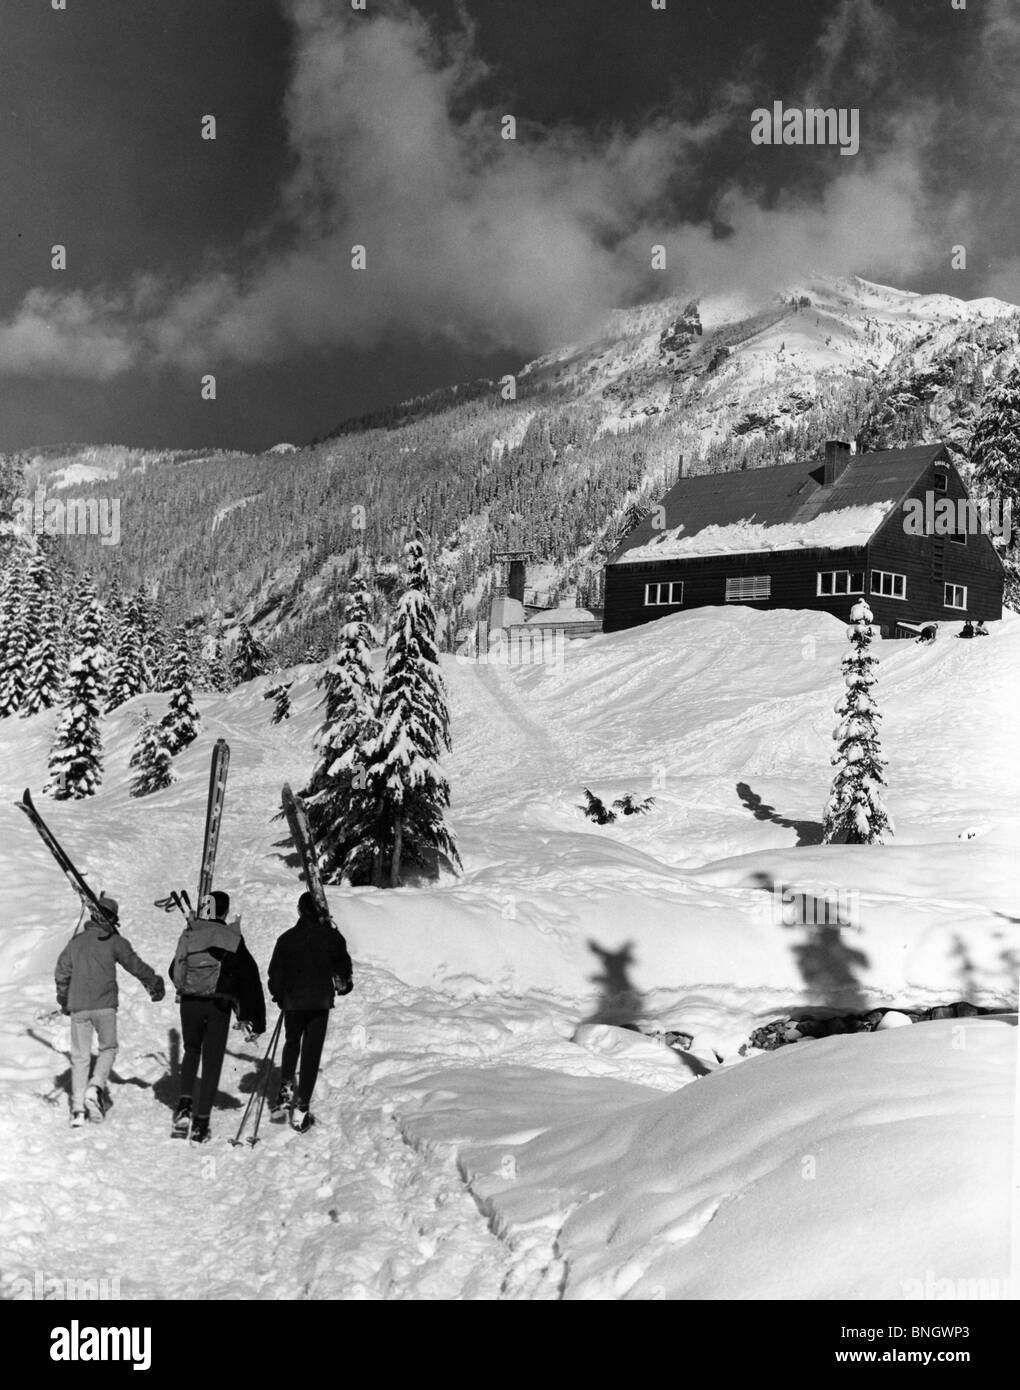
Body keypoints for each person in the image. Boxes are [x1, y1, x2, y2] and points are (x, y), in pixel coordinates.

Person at [54, 894, 164, 1127]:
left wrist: (64, 1000)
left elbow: (61, 972)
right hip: (104, 1006)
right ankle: (95, 1087)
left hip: (79, 1007)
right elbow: (136, 966)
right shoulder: (115, 941)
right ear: (113, 919)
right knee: (108, 1048)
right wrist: (154, 982)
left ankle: (77, 1111)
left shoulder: (77, 942)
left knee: (80, 1057)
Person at [169, 890, 265, 1142]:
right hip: (218, 1007)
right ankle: (201, 1122)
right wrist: (255, 1017)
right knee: (212, 1061)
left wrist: (189, 986)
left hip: (189, 1003)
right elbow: (249, 979)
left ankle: (184, 1105)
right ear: (223, 911)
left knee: (191, 1051)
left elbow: (174, 969)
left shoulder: (191, 932)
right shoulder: (231, 937)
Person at [268, 892, 353, 1133]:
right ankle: (301, 1107)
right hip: (319, 1001)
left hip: (293, 1001)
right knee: (311, 1052)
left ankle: (285, 1086)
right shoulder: (331, 937)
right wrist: (344, 985)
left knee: (292, 1041)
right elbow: (343, 969)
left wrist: (279, 995)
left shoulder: (287, 938)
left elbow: (275, 973)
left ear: (299, 911)